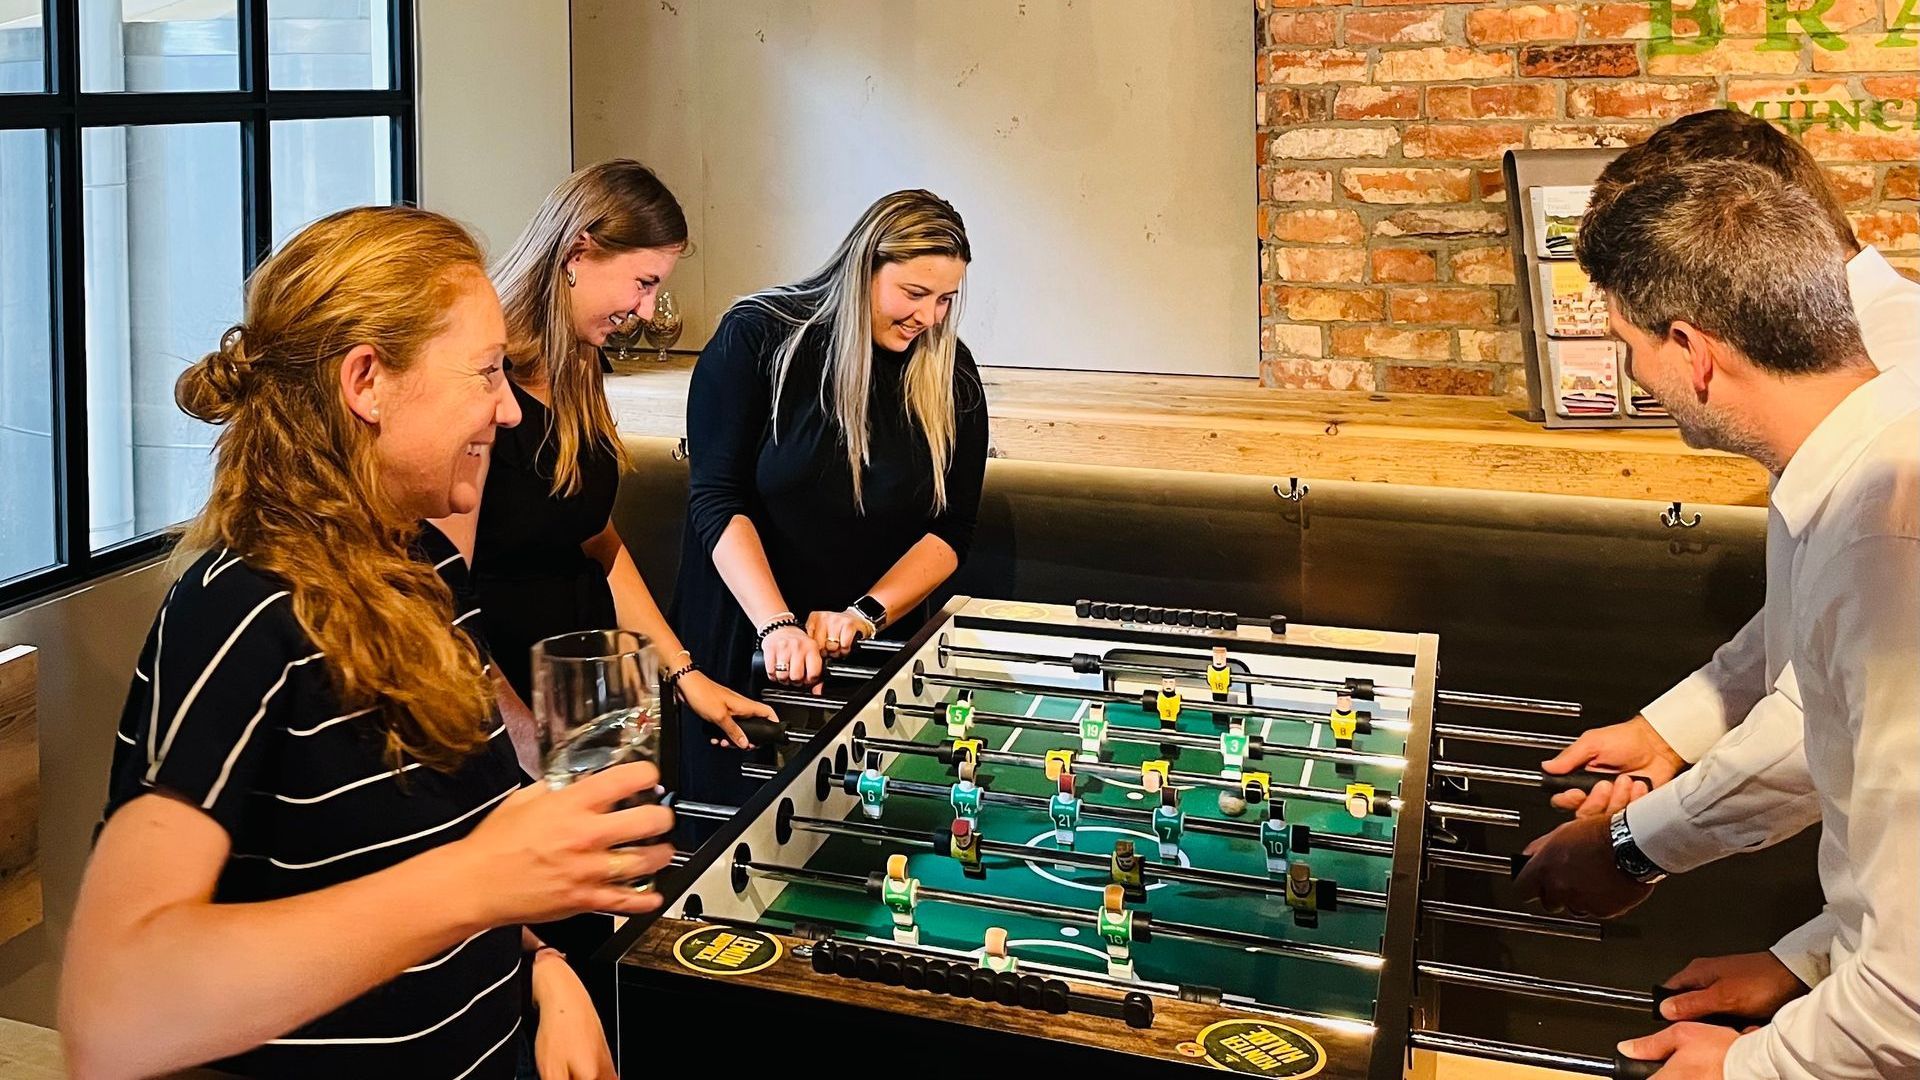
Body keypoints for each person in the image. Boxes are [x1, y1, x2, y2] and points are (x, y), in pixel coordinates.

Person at [59, 207, 671, 1079]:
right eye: (486, 372)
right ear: (367, 381)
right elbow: (113, 1015)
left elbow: (421, 854)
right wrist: (480, 880)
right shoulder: (241, 610)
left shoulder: (422, 564)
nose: (506, 409)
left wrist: (543, 968)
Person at [1514, 159, 1919, 1079]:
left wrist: (1745, 1067)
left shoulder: (1886, 533)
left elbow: (1911, 999)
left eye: (1629, 345)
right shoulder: (1870, 458)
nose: (1634, 374)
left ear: (1691, 351)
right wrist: (1811, 960)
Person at [436, 159, 775, 757]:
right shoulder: (484, 381)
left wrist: (684, 673)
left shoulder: (580, 361)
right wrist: (524, 744)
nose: (646, 310)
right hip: (501, 705)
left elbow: (597, 541)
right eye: (643, 283)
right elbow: (444, 599)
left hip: (594, 689)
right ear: (577, 252)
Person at [671, 189, 989, 803]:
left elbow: (952, 531)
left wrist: (864, 615)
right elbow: (716, 500)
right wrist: (778, 626)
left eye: (946, 299)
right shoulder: (758, 337)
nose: (929, 318)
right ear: (863, 267)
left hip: (870, 647)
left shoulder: (950, 370)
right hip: (740, 637)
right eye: (914, 293)